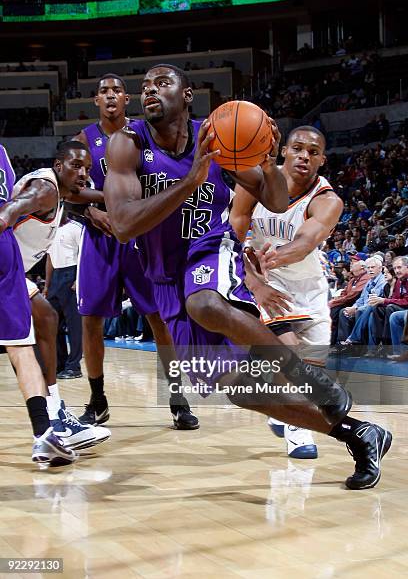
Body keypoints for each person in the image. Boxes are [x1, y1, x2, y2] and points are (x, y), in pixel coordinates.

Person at [103, 63, 391, 490]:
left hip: (209, 247)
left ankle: (303, 373)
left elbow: (274, 200)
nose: (149, 91)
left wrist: (269, 161)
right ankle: (359, 433)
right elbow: (124, 224)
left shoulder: (219, 134)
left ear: (187, 95)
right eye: (144, 85)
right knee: (240, 390)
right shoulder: (126, 145)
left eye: (163, 83)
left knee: (202, 301)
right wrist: (191, 180)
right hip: (163, 273)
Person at [73, 73, 199, 429]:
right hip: (100, 241)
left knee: (158, 319)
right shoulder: (84, 140)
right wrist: (94, 211)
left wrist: (122, 208)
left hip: (142, 237)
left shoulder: (143, 133)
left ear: (126, 99)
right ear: (95, 101)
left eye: (115, 90)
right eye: (102, 91)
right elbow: (68, 191)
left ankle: (178, 398)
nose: (110, 96)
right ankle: (97, 400)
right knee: (91, 320)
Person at [230, 126, 342, 460]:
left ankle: (281, 407)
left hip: (308, 287)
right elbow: (232, 234)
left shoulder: (327, 200)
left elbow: (306, 242)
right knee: (292, 359)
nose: (304, 156)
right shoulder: (255, 182)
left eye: (312, 151)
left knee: (311, 365)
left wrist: (276, 255)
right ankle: (299, 429)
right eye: (297, 148)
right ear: (284, 152)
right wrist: (254, 280)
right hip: (264, 283)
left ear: (322, 160)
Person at [3, 141, 110, 451]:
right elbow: (10, 211)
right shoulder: (45, 189)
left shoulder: (60, 195)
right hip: (5, 272)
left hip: (12, 275)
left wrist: (120, 199)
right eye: (76, 166)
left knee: (46, 316)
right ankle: (52, 419)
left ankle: (54, 414)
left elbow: (87, 196)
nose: (83, 173)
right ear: (58, 165)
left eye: (88, 168)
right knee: (32, 333)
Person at [0, 143, 76, 465]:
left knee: (34, 330)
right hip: (4, 250)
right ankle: (44, 434)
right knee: (21, 349)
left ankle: (50, 422)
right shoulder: (3, 152)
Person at [45, 211, 83, 379]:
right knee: (54, 325)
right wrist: (47, 285)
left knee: (74, 325)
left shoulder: (76, 228)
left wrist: (78, 279)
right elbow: (49, 259)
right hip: (55, 278)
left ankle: (74, 366)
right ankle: (60, 363)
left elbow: (84, 256)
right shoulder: (49, 230)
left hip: (72, 273)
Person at [337, 256, 385, 346]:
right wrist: (353, 307)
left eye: (373, 267)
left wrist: (356, 309)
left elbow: (373, 302)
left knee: (359, 311)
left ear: (380, 268)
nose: (370, 270)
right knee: (343, 312)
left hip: (374, 308)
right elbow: (361, 299)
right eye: (368, 268)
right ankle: (344, 344)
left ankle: (354, 341)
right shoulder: (369, 282)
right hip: (363, 307)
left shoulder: (382, 282)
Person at [329, 255, 369, 345]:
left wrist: (335, 302)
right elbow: (345, 292)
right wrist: (337, 299)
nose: (351, 264)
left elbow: (353, 295)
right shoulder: (353, 279)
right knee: (333, 310)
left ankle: (342, 342)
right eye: (350, 262)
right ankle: (333, 342)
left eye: (353, 262)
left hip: (353, 303)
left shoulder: (365, 277)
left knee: (338, 311)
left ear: (362, 268)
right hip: (347, 302)